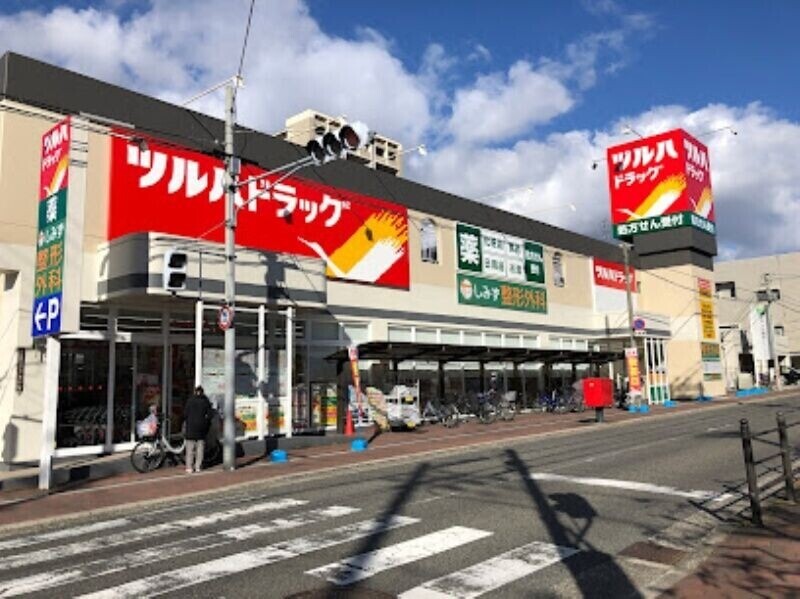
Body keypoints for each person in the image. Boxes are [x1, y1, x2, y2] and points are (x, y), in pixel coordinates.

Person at [184, 386, 212, 473]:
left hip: (191, 427)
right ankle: (198, 466)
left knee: (190, 449)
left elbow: (185, 414)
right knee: (200, 449)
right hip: (201, 428)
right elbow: (210, 415)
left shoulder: (190, 401)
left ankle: (189, 467)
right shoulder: (205, 401)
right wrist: (206, 424)